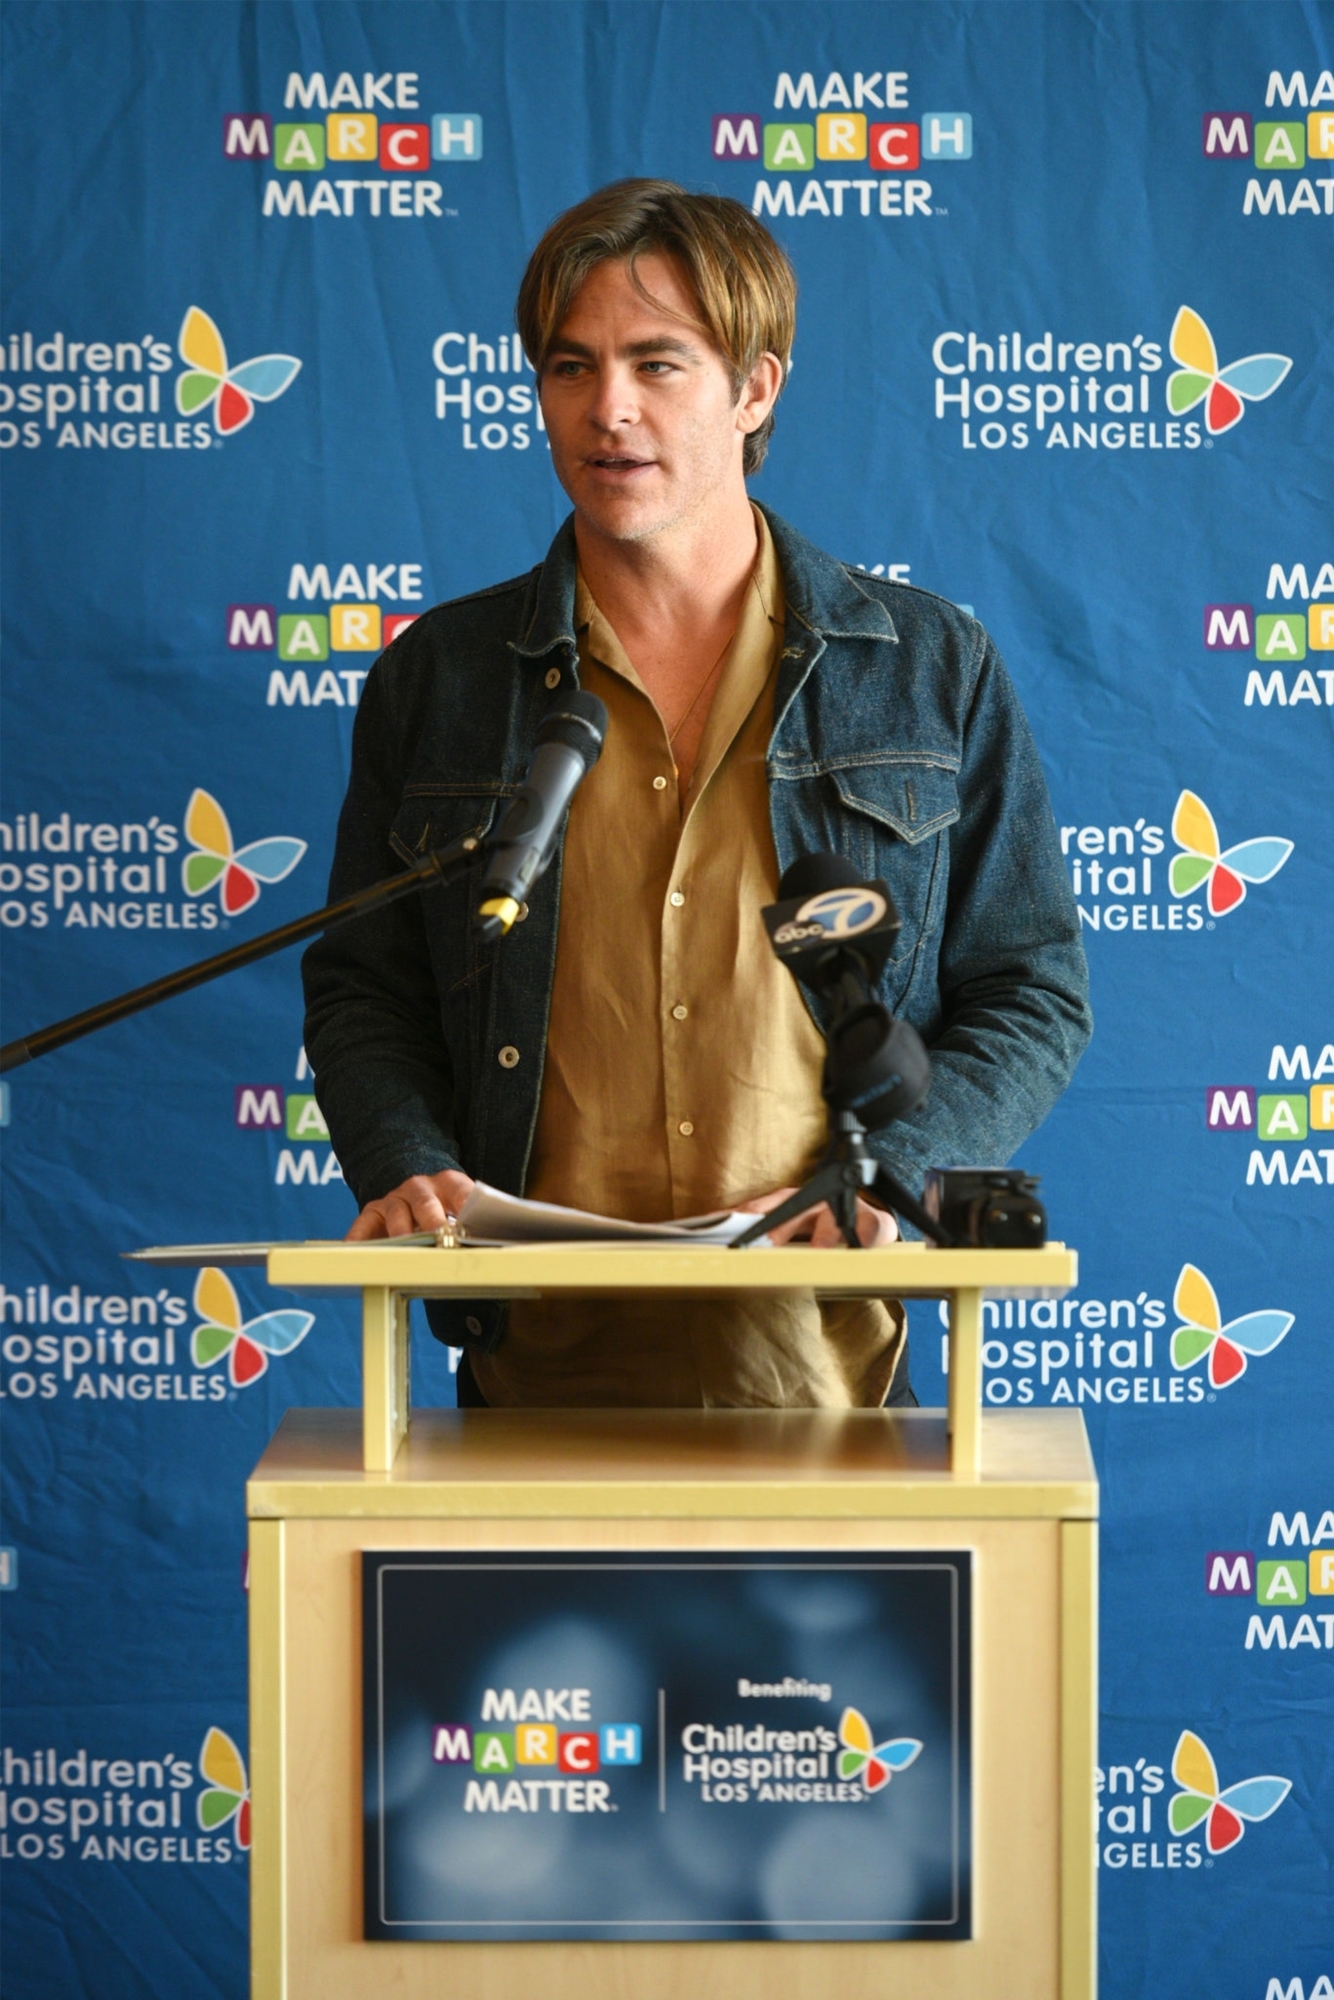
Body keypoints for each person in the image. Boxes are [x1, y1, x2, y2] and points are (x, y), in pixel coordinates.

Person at [302, 179, 1091, 1409]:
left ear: (754, 389)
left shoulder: (927, 668)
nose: (606, 408)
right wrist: (403, 1160)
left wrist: (896, 1171)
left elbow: (1029, 985)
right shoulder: (440, 678)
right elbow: (364, 986)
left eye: (656, 363)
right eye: (569, 366)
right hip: (529, 1378)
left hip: (823, 1373)